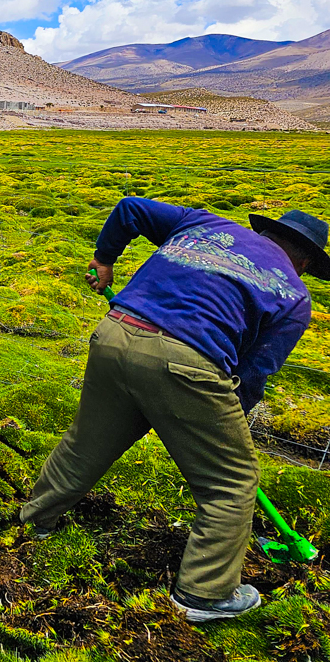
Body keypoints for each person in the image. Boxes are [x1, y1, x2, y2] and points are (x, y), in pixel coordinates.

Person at [20, 198, 329, 623]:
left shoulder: (203, 223)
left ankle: (34, 521)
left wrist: (104, 260)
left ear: (264, 232)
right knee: (232, 482)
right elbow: (254, 372)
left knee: (86, 444)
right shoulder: (294, 297)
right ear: (307, 262)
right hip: (187, 361)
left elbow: (130, 209)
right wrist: (214, 424)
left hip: (117, 331)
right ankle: (205, 594)